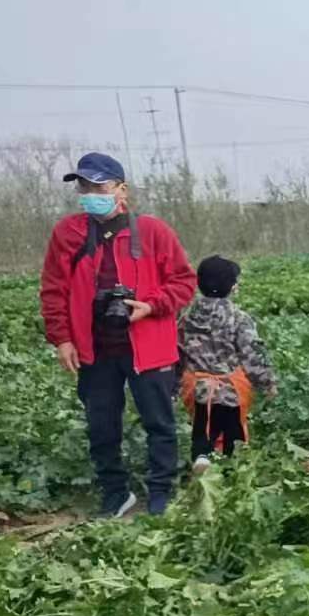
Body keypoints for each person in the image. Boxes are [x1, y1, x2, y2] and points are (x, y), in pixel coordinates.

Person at [39, 151, 197, 518]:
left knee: (160, 422)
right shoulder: (68, 233)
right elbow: (53, 289)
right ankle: (115, 494)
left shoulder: (153, 231)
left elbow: (184, 281)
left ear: (121, 189)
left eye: (99, 185)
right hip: (93, 348)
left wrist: (150, 305)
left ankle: (161, 493)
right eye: (84, 186)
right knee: (102, 427)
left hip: (148, 345)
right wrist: (62, 338)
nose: (90, 192)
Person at [177, 256, 277, 471]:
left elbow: (178, 352)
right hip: (230, 389)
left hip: (197, 387)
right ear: (233, 286)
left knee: (202, 431)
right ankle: (232, 476)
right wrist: (267, 383)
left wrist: (173, 385)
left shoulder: (187, 317)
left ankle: (202, 460)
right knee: (234, 437)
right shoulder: (238, 318)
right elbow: (252, 354)